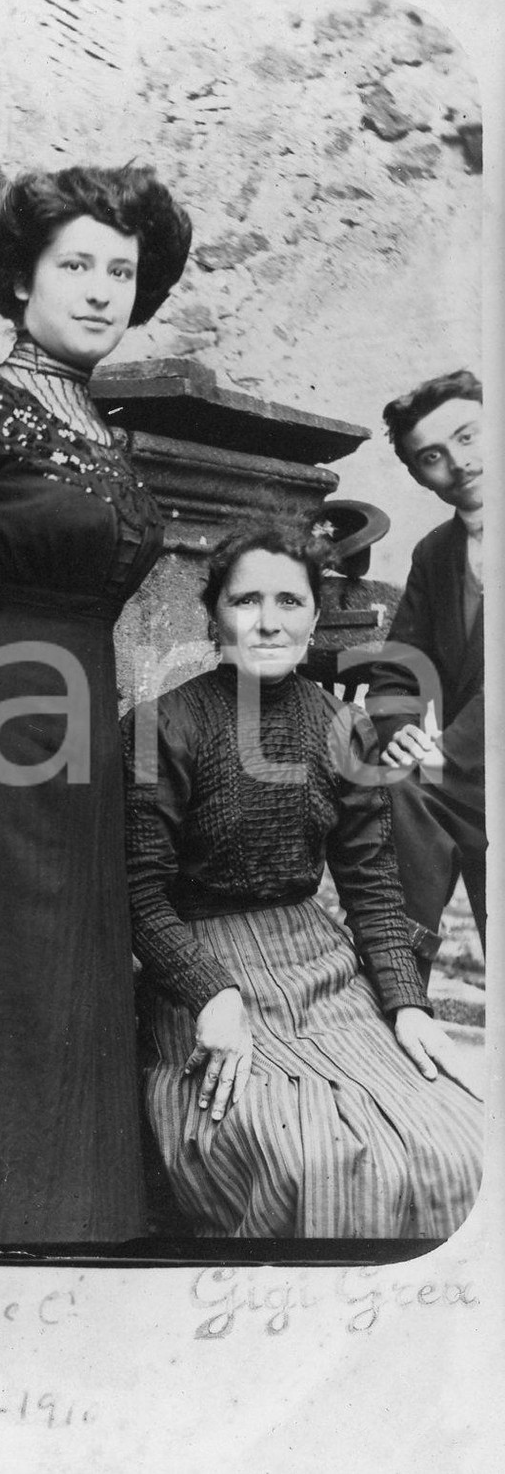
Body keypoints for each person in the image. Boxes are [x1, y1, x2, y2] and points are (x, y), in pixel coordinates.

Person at [0, 164, 192, 1244]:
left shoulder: (108, 439)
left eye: (122, 270)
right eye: (77, 266)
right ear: (20, 281)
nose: (102, 289)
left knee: (74, 988)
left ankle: (81, 1242)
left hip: (78, 738)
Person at [122, 518, 482, 1240]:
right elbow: (139, 893)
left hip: (321, 969)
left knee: (456, 1144)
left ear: (315, 616)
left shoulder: (342, 728)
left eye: (289, 602)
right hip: (202, 973)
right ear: (216, 612)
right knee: (311, 1159)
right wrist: (208, 994)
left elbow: (372, 886)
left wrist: (408, 1005)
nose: (267, 622)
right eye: (246, 600)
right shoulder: (164, 725)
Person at [367, 370, 485, 980]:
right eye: (433, 457)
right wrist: (401, 729)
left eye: (469, 437)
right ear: (418, 476)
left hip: (470, 776)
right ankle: (400, 984)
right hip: (474, 792)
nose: (458, 465)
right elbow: (397, 671)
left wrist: (443, 767)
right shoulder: (436, 554)